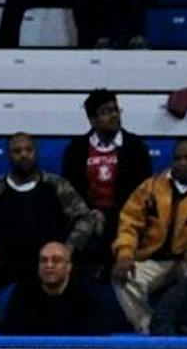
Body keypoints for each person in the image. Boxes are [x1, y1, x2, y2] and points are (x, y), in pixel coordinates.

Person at [0, 132, 94, 329]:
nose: (24, 155)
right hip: (7, 260)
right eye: (17, 151)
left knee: (80, 276)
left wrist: (69, 247)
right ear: (9, 155)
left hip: (46, 263)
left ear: (36, 153)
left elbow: (84, 217)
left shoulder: (56, 185)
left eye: (28, 150)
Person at [111, 137, 187, 332]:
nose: (182, 163)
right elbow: (129, 223)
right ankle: (149, 329)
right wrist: (125, 254)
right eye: (178, 158)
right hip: (153, 258)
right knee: (122, 278)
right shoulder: (150, 187)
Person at [60, 88, 154, 276]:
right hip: (86, 217)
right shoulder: (76, 149)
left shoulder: (135, 147)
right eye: (105, 112)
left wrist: (108, 216)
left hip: (126, 218)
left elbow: (141, 193)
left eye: (115, 110)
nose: (113, 115)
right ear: (92, 120)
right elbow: (69, 192)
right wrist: (89, 213)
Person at [0, 241, 113, 335]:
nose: (49, 265)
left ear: (69, 266)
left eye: (56, 260)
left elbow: (98, 337)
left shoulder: (88, 295)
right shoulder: (22, 294)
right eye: (44, 260)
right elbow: (10, 336)